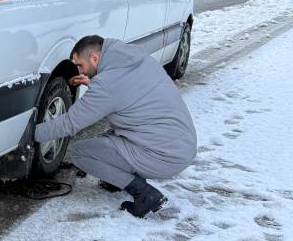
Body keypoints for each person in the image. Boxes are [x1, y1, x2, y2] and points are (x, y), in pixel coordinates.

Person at [34, 35, 197, 218]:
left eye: (80, 65)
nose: (80, 71)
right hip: (182, 145)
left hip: (163, 156)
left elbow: (70, 124)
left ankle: (145, 195)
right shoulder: (139, 59)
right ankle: (118, 178)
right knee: (110, 136)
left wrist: (29, 135)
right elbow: (124, 90)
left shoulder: (107, 86)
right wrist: (94, 84)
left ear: (95, 58)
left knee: (81, 153)